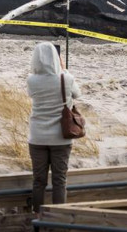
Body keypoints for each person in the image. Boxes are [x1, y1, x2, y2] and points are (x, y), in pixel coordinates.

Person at [27, 42, 80, 214]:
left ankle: (36, 216)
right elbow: (77, 94)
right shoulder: (66, 78)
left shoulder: (31, 80)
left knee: (38, 180)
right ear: (57, 58)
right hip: (61, 137)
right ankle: (58, 217)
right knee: (59, 180)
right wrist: (64, 70)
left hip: (37, 137)